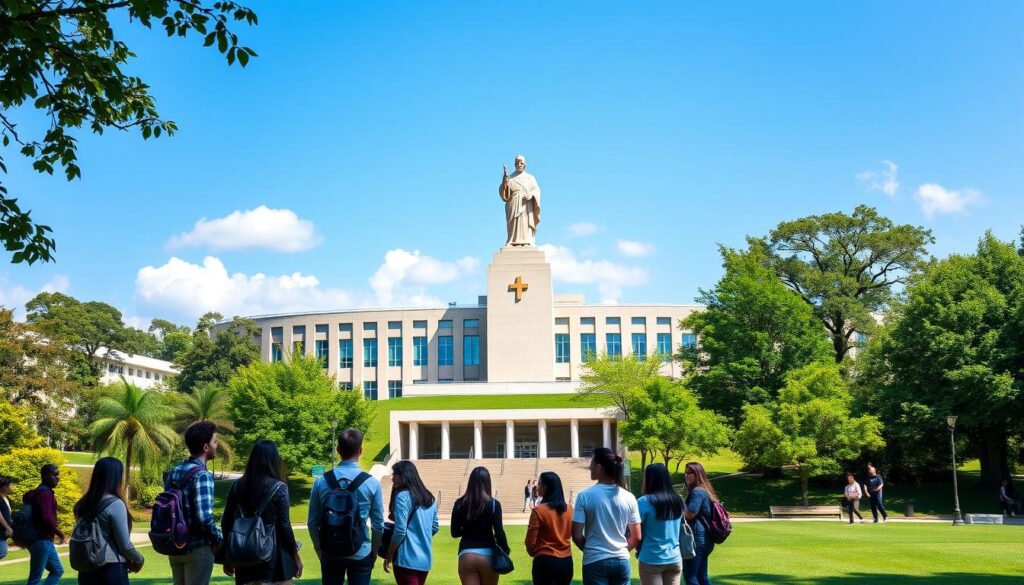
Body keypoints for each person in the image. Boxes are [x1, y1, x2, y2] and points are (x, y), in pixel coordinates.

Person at [308, 428, 384, 585]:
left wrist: (318, 549)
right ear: (361, 450)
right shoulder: (371, 483)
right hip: (361, 550)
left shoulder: (321, 482)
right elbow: (378, 524)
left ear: (338, 450)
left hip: (330, 551)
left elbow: (312, 522)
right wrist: (374, 551)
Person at [221, 440, 302, 584]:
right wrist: (295, 555)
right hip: (275, 558)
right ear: (274, 460)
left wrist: (228, 555)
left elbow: (226, 523)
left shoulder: (237, 486)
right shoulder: (279, 487)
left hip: (244, 556)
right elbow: (284, 525)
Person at [572, 448, 641, 585]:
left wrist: (588, 549)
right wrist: (621, 550)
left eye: (592, 462)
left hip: (594, 560)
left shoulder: (584, 496)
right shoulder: (629, 497)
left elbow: (576, 534)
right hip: (621, 560)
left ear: (598, 467)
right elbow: (637, 536)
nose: (589, 466)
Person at [166, 421, 223, 585]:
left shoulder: (175, 471)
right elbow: (204, 518)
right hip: (197, 547)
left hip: (175, 545)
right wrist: (219, 539)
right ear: (206, 447)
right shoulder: (202, 475)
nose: (217, 445)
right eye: (215, 442)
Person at [73, 457, 145, 584]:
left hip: (86, 569)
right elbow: (125, 545)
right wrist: (139, 559)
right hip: (110, 568)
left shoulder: (83, 504)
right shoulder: (115, 504)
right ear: (117, 477)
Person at [451, 466, 511, 585]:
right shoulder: (494, 504)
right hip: (488, 554)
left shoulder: (460, 503)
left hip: (466, 553)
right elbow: (499, 532)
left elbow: (454, 532)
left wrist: (468, 529)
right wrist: (505, 549)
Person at [383, 461, 439, 585]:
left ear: (404, 475)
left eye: (395, 474)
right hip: (424, 558)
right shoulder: (429, 498)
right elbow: (434, 527)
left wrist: (390, 552)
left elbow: (400, 531)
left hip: (406, 558)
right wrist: (420, 536)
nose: (392, 479)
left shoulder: (403, 496)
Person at [637, 464, 683, 585]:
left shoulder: (644, 501)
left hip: (652, 558)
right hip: (674, 558)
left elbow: (636, 531)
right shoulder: (677, 500)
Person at [525, 471, 573, 585]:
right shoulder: (570, 509)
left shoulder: (539, 510)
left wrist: (534, 552)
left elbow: (530, 541)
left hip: (545, 561)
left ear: (546, 487)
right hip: (566, 562)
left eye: (540, 484)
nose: (537, 486)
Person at [24, 464, 65, 585]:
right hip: (40, 538)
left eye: (58, 475)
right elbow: (47, 518)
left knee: (57, 570)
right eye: (54, 475)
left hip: (44, 539)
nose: (57, 477)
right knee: (35, 578)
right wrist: (60, 533)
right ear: (45, 476)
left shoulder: (39, 492)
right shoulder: (45, 493)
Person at [683, 462, 718, 585]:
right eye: (686, 473)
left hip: (697, 539)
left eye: (690, 473)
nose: (687, 476)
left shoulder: (697, 491)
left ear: (698, 474)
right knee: (701, 576)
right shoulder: (705, 490)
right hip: (706, 539)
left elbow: (691, 513)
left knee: (690, 576)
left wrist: (677, 509)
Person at [0, 475, 13, 561]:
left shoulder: (4, 498)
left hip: (2, 534)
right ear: (4, 487)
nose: (12, 487)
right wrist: (7, 527)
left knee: (3, 551)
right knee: (3, 551)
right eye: (10, 485)